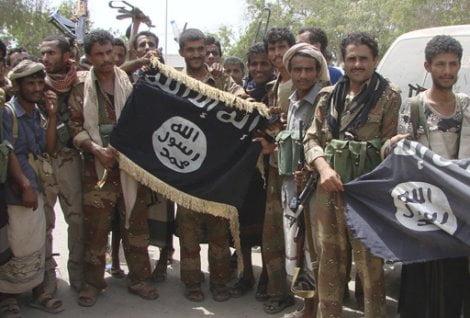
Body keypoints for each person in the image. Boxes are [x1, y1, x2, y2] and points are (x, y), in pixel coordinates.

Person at [303, 32, 401, 317]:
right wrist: (323, 167)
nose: (357, 64)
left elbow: (387, 144)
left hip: (366, 193)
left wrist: (392, 145)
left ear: (375, 60)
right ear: (343, 61)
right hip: (328, 188)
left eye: (363, 58)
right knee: (329, 260)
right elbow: (311, 140)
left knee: (370, 265)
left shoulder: (388, 96)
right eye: (351, 58)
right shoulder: (328, 96)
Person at [68, 30, 158, 307]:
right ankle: (94, 283)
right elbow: (74, 128)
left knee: (137, 225)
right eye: (100, 54)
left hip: (130, 167)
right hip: (97, 170)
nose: (107, 59)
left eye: (109, 52)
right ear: (89, 57)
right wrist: (97, 150)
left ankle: (139, 279)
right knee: (97, 229)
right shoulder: (81, 87)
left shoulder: (127, 82)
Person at [392, 34, 469, 318]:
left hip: (460, 209)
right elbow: (400, 158)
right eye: (440, 64)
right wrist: (392, 145)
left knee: (454, 279)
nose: (447, 71)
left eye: (452, 64)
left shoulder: (467, 106)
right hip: (424, 207)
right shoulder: (414, 108)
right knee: (418, 280)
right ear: (428, 66)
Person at [177, 28, 244, 303]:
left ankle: (218, 280)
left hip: (217, 165)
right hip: (185, 164)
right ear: (181, 52)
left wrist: (220, 85)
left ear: (207, 50)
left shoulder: (221, 79)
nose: (195, 54)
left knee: (218, 226)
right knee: (188, 227)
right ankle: (192, 282)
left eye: (199, 49)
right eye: (190, 50)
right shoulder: (173, 79)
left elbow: (243, 101)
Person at [1, 59, 64, 315]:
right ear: (17, 86)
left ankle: (37, 291)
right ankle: (7, 295)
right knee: (14, 243)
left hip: (38, 187)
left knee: (37, 241)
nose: (37, 88)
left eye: (40, 82)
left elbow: (48, 148)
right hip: (16, 190)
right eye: (31, 83)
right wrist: (25, 184)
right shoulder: (7, 113)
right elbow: (7, 151)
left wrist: (51, 114)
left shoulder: (37, 113)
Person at [278, 43, 329, 318]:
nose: (303, 75)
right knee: (297, 251)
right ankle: (306, 305)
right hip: (291, 189)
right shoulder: (292, 100)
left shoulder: (326, 101)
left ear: (318, 71)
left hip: (316, 191)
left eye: (309, 69)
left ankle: (316, 308)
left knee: (314, 253)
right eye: (297, 69)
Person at [251, 27, 296, 315]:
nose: (277, 54)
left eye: (283, 47)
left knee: (300, 237)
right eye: (273, 49)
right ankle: (279, 290)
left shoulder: (308, 82)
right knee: (273, 234)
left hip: (302, 172)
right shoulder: (273, 87)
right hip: (275, 171)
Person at [228, 43, 275, 299]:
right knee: (244, 225)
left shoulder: (276, 92)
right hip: (245, 171)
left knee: (268, 228)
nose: (258, 68)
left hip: (270, 170)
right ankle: (246, 275)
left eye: (263, 63)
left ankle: (267, 277)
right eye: (254, 64)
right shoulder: (243, 92)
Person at [39, 34, 84, 294]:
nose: (46, 59)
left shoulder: (80, 80)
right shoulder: (34, 82)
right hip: (44, 160)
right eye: (43, 53)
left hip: (69, 158)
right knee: (44, 223)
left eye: (51, 53)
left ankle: (77, 275)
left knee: (76, 220)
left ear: (66, 56)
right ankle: (46, 276)